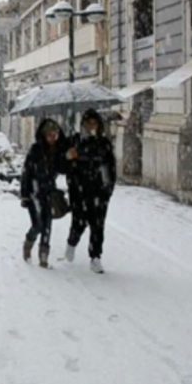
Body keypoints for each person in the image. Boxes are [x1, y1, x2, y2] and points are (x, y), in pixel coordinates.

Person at [64, 109, 117, 274]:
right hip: (79, 190)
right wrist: (68, 157)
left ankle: (95, 257)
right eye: (88, 123)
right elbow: (63, 165)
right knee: (79, 222)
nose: (92, 126)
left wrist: (108, 189)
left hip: (99, 191)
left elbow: (110, 167)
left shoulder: (104, 143)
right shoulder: (74, 141)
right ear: (83, 124)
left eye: (95, 123)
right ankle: (72, 242)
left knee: (97, 225)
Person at [20, 118, 67, 268]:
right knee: (38, 224)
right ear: (44, 135)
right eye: (50, 135)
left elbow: (63, 168)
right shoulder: (36, 150)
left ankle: (43, 256)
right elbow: (26, 172)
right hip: (34, 192)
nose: (52, 138)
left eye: (55, 135)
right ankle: (29, 242)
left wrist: (68, 158)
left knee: (48, 224)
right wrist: (25, 194)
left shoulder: (57, 151)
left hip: (49, 192)